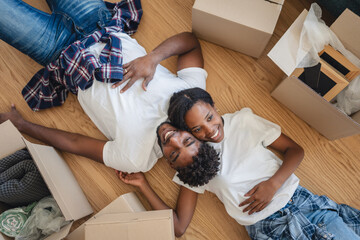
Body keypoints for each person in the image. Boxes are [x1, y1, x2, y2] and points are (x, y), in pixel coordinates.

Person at [117, 88, 360, 239]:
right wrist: (142, 184)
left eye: (210, 118)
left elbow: (295, 150)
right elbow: (179, 226)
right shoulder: (193, 160)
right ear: (188, 132)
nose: (211, 131)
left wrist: (273, 184)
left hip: (302, 204)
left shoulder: (244, 121)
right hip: (269, 231)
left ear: (214, 107)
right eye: (197, 129)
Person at [0, 0, 210, 173]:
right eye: (187, 141)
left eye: (173, 153)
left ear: (170, 163)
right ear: (194, 135)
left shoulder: (135, 160)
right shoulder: (192, 101)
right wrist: (153, 58)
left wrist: (22, 125)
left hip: (61, 52)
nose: (173, 140)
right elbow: (190, 42)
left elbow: (75, 143)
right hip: (97, 23)